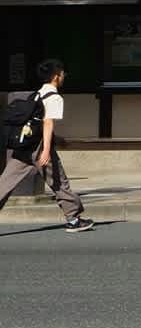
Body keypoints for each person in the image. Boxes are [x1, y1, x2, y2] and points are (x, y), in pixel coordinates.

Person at [0, 59, 92, 232]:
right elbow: (47, 123)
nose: (64, 76)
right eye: (62, 74)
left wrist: (58, 140)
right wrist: (47, 150)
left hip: (24, 147)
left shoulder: (37, 94)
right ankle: (73, 219)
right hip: (40, 147)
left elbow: (36, 123)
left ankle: (73, 218)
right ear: (56, 76)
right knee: (59, 181)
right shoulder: (54, 97)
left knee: (5, 182)